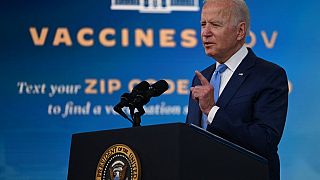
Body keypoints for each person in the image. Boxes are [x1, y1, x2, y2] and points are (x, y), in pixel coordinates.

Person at [186, 0, 288, 180]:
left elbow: (266, 141)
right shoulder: (202, 78)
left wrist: (212, 111)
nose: (205, 33)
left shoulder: (269, 75)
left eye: (215, 25)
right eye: (203, 24)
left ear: (240, 31)